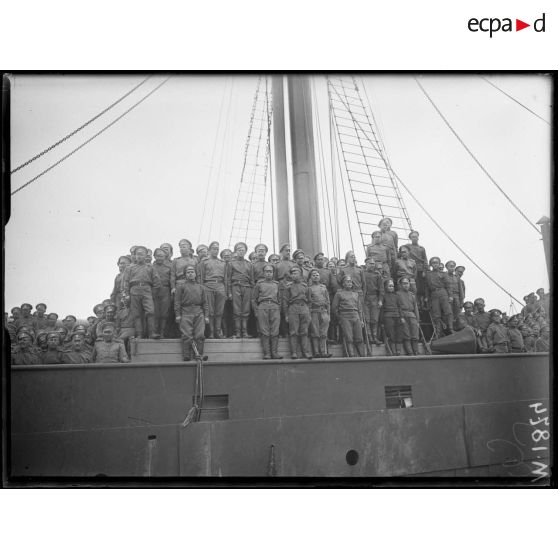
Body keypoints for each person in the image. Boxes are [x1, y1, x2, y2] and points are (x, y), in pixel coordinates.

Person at [121, 245, 161, 339]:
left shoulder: (150, 268)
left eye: (141, 254)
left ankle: (152, 333)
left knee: (150, 312)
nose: (139, 256)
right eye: (137, 254)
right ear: (134, 256)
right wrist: (126, 294)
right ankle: (139, 334)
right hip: (134, 290)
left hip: (147, 290)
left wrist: (152, 293)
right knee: (137, 314)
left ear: (146, 256)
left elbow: (157, 282)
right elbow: (125, 282)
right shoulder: (129, 268)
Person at [174, 265, 209, 362]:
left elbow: (205, 303)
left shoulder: (201, 287)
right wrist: (178, 315)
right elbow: (177, 302)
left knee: (200, 335)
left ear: (195, 274)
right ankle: (186, 355)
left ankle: (199, 355)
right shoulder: (181, 287)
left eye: (192, 271)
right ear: (185, 274)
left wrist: (206, 316)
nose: (190, 273)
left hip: (199, 313)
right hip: (186, 312)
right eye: (188, 272)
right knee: (187, 335)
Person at [252, 264, 283, 360]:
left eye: (270, 271)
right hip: (263, 306)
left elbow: (280, 299)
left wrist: (278, 309)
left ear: (273, 273)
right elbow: (253, 299)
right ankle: (267, 353)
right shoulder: (259, 284)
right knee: (264, 331)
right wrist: (256, 311)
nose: (268, 273)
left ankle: (274, 353)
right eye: (267, 271)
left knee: (275, 331)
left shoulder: (276, 284)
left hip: (274, 307)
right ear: (264, 273)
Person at [198, 241, 227, 339]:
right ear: (209, 250)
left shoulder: (222, 262)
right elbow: (200, 277)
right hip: (208, 285)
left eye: (217, 249)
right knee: (210, 311)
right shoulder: (204, 262)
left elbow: (226, 278)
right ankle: (211, 332)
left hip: (220, 286)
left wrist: (226, 291)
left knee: (219, 311)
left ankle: (218, 332)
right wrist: (201, 290)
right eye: (214, 248)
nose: (216, 250)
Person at [332, 275, 365, 358]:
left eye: (350, 281)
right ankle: (351, 356)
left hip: (356, 316)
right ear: (343, 284)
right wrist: (340, 318)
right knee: (349, 338)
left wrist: (361, 320)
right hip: (345, 316)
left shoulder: (355, 294)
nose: (349, 283)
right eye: (347, 281)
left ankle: (362, 356)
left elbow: (360, 308)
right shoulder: (339, 294)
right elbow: (334, 308)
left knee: (359, 338)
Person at [283, 266, 312, 359]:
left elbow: (309, 300)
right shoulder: (288, 286)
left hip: (304, 308)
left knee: (304, 332)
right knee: (293, 332)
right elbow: (285, 301)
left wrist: (309, 313)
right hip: (293, 308)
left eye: (296, 273)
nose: (293, 275)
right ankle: (294, 352)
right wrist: (286, 315)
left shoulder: (305, 286)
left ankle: (305, 352)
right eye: (292, 273)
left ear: (300, 274)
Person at [226, 242, 254, 338]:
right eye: (239, 250)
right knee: (237, 310)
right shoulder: (231, 263)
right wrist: (229, 292)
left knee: (246, 310)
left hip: (247, 287)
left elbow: (252, 279)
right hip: (235, 286)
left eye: (243, 250)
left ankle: (245, 332)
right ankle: (237, 332)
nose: (241, 251)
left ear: (245, 251)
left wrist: (253, 293)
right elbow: (228, 279)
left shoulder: (249, 264)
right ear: (235, 251)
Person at [425, 256, 454, 337]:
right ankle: (438, 332)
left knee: (448, 312)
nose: (435, 264)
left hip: (443, 293)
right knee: (436, 315)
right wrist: (427, 296)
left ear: (439, 264)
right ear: (431, 264)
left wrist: (450, 296)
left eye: (436, 263)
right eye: (433, 263)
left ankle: (451, 329)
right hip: (434, 294)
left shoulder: (443, 274)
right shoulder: (428, 274)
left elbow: (448, 285)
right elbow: (427, 287)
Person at [308, 269, 331, 358]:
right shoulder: (309, 288)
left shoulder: (323, 287)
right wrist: (309, 315)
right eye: (313, 275)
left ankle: (323, 352)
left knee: (323, 333)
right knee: (315, 332)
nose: (315, 276)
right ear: (310, 277)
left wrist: (329, 314)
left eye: (317, 275)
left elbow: (328, 301)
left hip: (324, 312)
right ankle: (316, 352)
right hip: (314, 311)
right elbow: (309, 302)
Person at [396, 277, 421, 355]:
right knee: (406, 335)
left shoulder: (412, 295)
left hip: (412, 316)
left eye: (407, 283)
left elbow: (416, 308)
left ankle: (416, 351)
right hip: (403, 315)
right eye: (404, 283)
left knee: (415, 334)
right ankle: (410, 352)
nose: (406, 285)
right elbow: (398, 307)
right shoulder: (397, 294)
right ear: (400, 285)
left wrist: (417, 320)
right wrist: (401, 317)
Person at [403, 230, 428, 309]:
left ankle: (423, 303)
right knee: (414, 287)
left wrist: (424, 270)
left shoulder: (421, 248)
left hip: (420, 269)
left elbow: (425, 260)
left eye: (416, 237)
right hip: (411, 269)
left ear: (418, 238)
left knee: (422, 287)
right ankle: (416, 303)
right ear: (410, 238)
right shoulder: (407, 247)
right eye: (413, 237)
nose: (415, 238)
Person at [363, 257, 384, 346]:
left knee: (374, 319)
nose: (372, 265)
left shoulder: (377, 274)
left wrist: (380, 300)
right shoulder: (362, 273)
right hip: (365, 298)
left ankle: (375, 337)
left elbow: (381, 289)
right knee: (367, 319)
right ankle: (369, 337)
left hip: (375, 297)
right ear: (366, 264)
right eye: (370, 263)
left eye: (373, 264)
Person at [152, 247, 172, 338]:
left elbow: (172, 280)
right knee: (155, 312)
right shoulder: (151, 267)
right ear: (155, 256)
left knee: (164, 313)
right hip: (154, 291)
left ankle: (162, 333)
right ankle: (155, 332)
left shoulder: (169, 267)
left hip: (165, 290)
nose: (160, 258)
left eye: (162, 256)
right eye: (158, 256)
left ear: (165, 257)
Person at [379, 279, 401, 355]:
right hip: (388, 316)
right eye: (390, 286)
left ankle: (398, 350)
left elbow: (399, 307)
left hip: (397, 316)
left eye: (392, 286)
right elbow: (381, 310)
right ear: (385, 287)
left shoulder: (396, 296)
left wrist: (401, 317)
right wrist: (381, 321)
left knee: (398, 333)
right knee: (390, 333)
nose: (391, 287)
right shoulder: (383, 296)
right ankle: (392, 350)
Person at [445, 261, 463, 326]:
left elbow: (461, 291)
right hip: (448, 297)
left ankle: (457, 326)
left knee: (457, 313)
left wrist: (461, 301)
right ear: (447, 267)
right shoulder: (444, 276)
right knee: (449, 313)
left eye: (453, 267)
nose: (452, 268)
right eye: (450, 266)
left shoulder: (457, 278)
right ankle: (450, 327)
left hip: (456, 296)